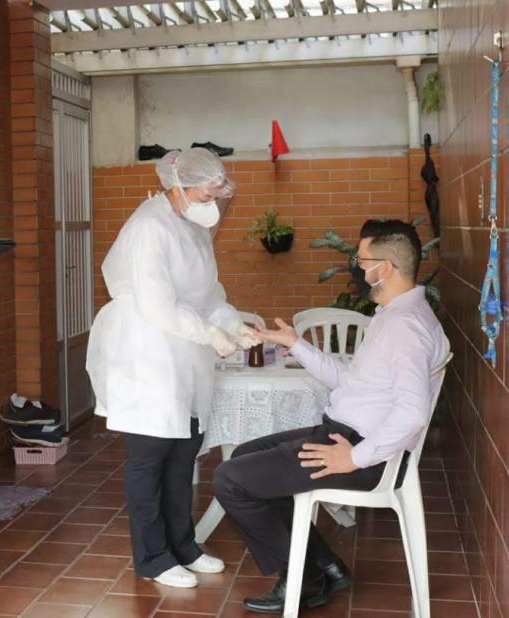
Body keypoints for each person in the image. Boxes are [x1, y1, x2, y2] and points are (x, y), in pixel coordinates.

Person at [214, 219, 450, 614]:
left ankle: (303, 579)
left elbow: (412, 411)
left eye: (362, 260)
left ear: (385, 268)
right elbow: (351, 382)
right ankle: (326, 564)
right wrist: (296, 345)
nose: (357, 267)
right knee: (243, 458)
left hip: (359, 451)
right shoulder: (395, 316)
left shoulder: (405, 327)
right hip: (344, 434)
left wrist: (352, 458)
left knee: (230, 480)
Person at [86, 149, 262, 589]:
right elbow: (157, 305)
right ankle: (152, 557)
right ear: (179, 185)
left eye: (218, 196)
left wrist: (233, 324)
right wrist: (209, 334)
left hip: (185, 351)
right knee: (150, 459)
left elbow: (208, 295)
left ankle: (183, 545)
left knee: (184, 453)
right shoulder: (150, 225)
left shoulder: (193, 226)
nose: (213, 203)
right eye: (208, 193)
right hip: (147, 351)